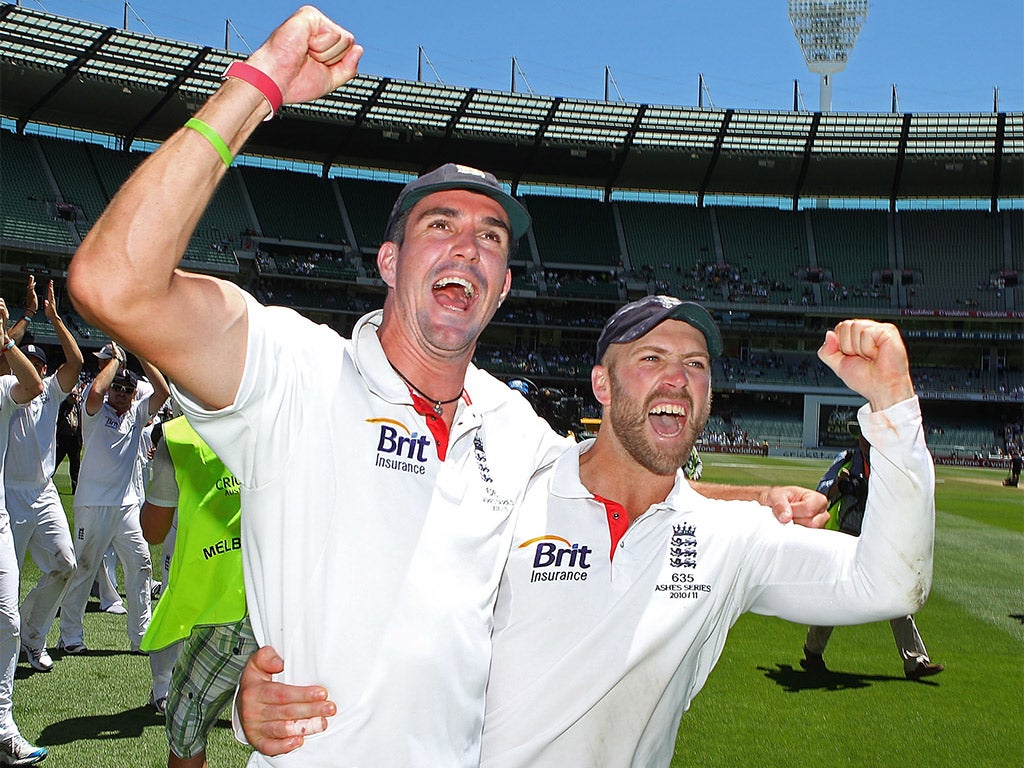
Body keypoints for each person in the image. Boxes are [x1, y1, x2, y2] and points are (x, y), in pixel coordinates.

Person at [66, 9, 823, 764]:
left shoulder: (512, 424)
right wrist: (257, 85)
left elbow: (613, 481)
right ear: (390, 262)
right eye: (441, 225)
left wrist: (757, 503)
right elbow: (112, 283)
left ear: (499, 290)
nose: (469, 244)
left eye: (491, 238)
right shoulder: (293, 369)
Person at [239, 300, 935, 768]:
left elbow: (890, 582)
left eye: (696, 365)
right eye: (652, 358)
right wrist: (269, 694)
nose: (679, 378)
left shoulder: (732, 541)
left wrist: (894, 407)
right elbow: (381, 590)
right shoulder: (508, 489)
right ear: (602, 385)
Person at [56, 343, 173, 709]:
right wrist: (116, 363)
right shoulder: (95, 411)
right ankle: (69, 635)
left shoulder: (138, 413)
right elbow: (94, 391)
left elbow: (164, 391)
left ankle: (141, 637)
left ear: (135, 393)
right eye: (117, 388)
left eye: (128, 389)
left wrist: (140, 353)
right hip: (92, 504)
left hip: (125, 508)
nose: (121, 394)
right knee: (84, 568)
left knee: (140, 566)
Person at [138, 412, 257, 764]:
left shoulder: (178, 437)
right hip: (282, 599)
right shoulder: (276, 416)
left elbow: (153, 531)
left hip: (225, 609)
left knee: (184, 723)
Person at [800, 425, 944, 680]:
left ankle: (915, 661)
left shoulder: (888, 464)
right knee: (836, 596)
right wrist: (840, 485)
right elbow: (821, 491)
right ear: (861, 437)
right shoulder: (847, 459)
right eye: (869, 436)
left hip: (878, 536)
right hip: (847, 533)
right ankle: (812, 651)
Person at [4, 279, 83, 674]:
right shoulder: (8, 394)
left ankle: (32, 636)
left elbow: (77, 363)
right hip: (10, 495)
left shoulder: (51, 393)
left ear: (45, 370)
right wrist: (24, 318)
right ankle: (12, 639)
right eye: (24, 365)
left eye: (36, 366)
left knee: (65, 564)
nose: (30, 372)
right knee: (8, 579)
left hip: (44, 491)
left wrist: (52, 317)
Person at [0, 298, 48, 766]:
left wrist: (5, 337)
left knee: (9, 623)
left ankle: (3, 727)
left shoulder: (0, 390)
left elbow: (33, 384)